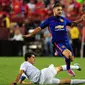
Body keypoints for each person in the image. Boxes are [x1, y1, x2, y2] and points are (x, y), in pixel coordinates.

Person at [23, 3, 85, 76]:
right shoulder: (49, 20)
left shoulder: (63, 19)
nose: (60, 11)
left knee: (71, 59)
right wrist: (30, 34)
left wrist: (81, 20)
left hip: (66, 41)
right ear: (54, 10)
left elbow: (72, 24)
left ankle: (59, 53)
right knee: (67, 54)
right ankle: (68, 69)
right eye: (58, 10)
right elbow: (39, 28)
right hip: (58, 42)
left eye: (61, 10)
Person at [10, 52, 85, 85]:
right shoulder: (25, 64)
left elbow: (21, 79)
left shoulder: (28, 69)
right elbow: (20, 73)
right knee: (59, 68)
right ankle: (77, 67)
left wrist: (25, 82)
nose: (34, 59)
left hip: (41, 82)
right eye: (33, 58)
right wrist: (15, 82)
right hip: (43, 75)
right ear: (28, 58)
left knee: (65, 82)